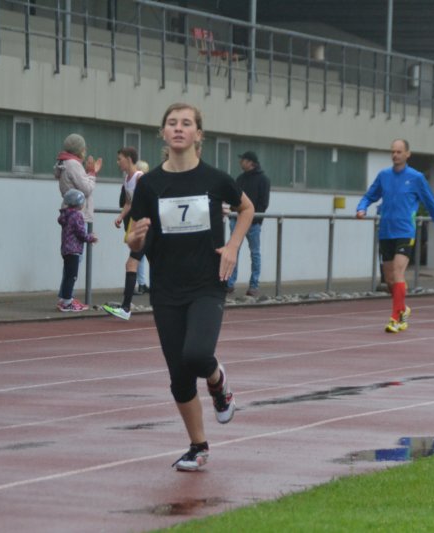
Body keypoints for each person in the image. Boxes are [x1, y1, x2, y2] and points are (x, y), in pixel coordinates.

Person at [125, 102, 255, 471]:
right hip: (166, 287)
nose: (178, 128)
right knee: (179, 378)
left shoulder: (215, 179)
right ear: (163, 133)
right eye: (172, 123)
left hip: (206, 283)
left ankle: (218, 382)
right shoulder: (149, 185)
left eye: (186, 123)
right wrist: (134, 240)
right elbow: (135, 237)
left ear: (199, 134)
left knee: (197, 355)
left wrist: (233, 246)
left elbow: (246, 208)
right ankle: (198, 446)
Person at [356, 139, 434, 333]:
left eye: (399, 152)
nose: (395, 155)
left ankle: (395, 319)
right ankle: (403, 308)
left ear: (407, 154)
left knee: (398, 272)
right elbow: (369, 196)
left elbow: (431, 203)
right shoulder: (384, 176)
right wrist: (361, 208)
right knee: (390, 280)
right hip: (386, 232)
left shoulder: (416, 178)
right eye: (393, 152)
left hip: (405, 231)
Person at [103, 147, 145, 320]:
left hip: (146, 229)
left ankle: (126, 308)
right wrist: (120, 217)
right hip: (140, 228)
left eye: (120, 158)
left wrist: (138, 224)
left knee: (132, 264)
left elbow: (147, 203)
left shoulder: (140, 178)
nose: (117, 162)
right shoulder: (127, 180)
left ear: (128, 159)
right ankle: (126, 308)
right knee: (134, 264)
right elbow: (129, 203)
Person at [226, 151, 270, 297]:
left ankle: (254, 285)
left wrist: (255, 219)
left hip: (253, 223)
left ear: (251, 162)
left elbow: (263, 203)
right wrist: (232, 214)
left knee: (255, 253)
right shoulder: (240, 178)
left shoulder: (263, 180)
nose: (241, 162)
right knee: (233, 251)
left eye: (243, 160)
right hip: (237, 220)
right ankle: (230, 283)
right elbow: (233, 197)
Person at [57, 189, 98, 312]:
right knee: (72, 276)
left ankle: (65, 299)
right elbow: (81, 233)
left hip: (66, 249)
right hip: (74, 250)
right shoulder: (77, 215)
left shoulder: (65, 215)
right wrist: (91, 237)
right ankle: (67, 303)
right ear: (78, 203)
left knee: (67, 275)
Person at [55, 133, 101, 226]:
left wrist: (87, 173)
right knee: (79, 235)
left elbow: (77, 184)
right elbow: (86, 189)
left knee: (68, 235)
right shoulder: (73, 164)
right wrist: (92, 173)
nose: (85, 150)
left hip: (68, 212)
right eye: (84, 148)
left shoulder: (64, 162)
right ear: (79, 150)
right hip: (78, 214)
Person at [134, 160, 151, 294]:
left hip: (135, 221)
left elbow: (123, 201)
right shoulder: (147, 185)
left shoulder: (130, 182)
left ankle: (141, 283)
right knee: (142, 254)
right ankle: (142, 283)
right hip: (144, 222)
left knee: (139, 254)